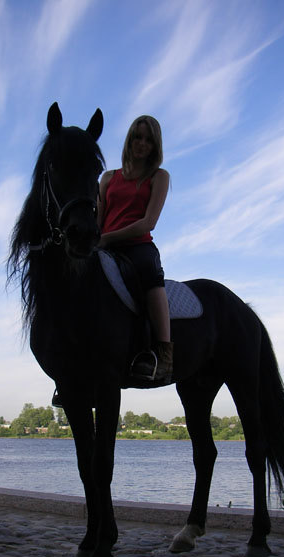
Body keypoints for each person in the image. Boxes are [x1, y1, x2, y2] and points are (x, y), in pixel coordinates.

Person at [98, 115, 173, 384]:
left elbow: (148, 222)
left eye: (148, 140)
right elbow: (99, 219)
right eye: (137, 137)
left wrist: (107, 238)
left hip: (138, 246)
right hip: (104, 247)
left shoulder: (159, 177)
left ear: (155, 146)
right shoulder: (108, 177)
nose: (142, 144)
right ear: (129, 139)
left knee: (150, 274)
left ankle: (164, 353)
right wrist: (93, 240)